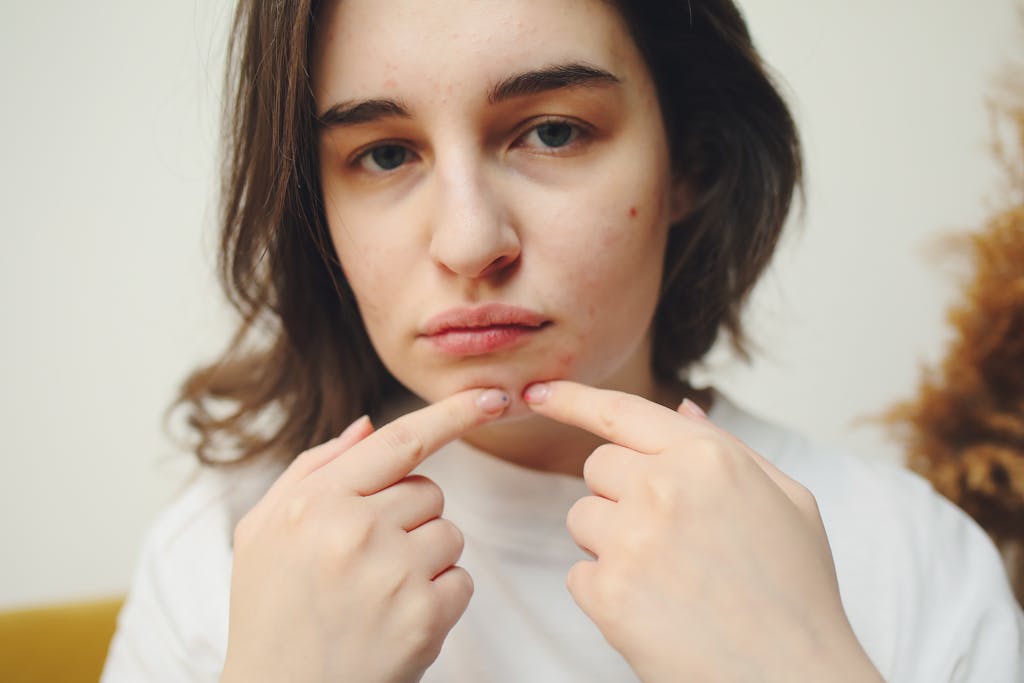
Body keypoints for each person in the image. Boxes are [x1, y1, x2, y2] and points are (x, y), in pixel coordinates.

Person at [102, 1, 1024, 681]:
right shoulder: (220, 557)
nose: (469, 242)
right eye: (385, 154)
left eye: (551, 132)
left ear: (689, 163)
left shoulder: (911, 558)